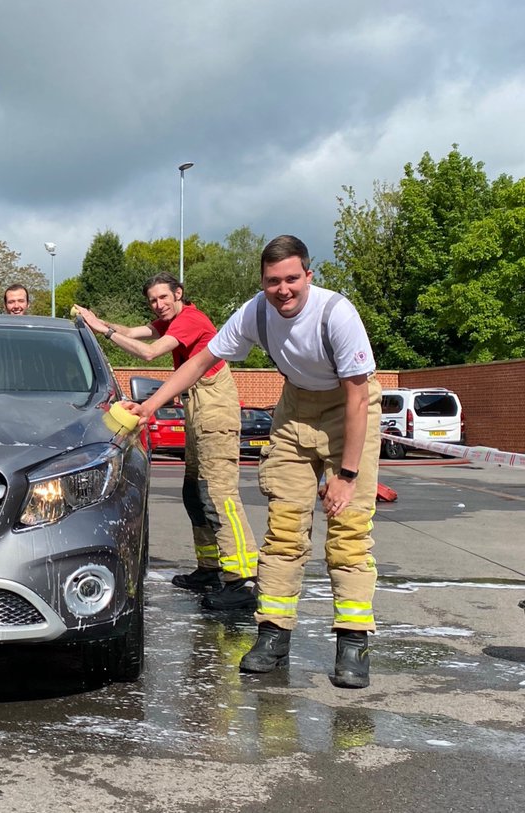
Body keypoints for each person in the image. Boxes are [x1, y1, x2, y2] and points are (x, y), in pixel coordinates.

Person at [127, 235, 381, 689]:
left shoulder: (335, 313)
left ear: (308, 275)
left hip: (349, 410)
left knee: (348, 533)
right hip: (295, 409)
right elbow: (200, 360)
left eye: (291, 279)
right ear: (262, 281)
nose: (283, 290)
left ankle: (353, 642)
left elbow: (358, 395)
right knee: (283, 529)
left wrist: (346, 475)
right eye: (272, 281)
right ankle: (273, 636)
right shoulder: (255, 312)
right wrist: (151, 405)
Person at [74, 274, 258, 612]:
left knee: (218, 494)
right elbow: (133, 333)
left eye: (163, 298)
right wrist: (99, 323)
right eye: (153, 301)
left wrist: (105, 332)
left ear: (179, 294)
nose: (159, 305)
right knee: (194, 492)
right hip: (197, 405)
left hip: (214, 407)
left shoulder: (189, 319)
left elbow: (148, 352)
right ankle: (210, 568)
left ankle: (242, 580)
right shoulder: (170, 320)